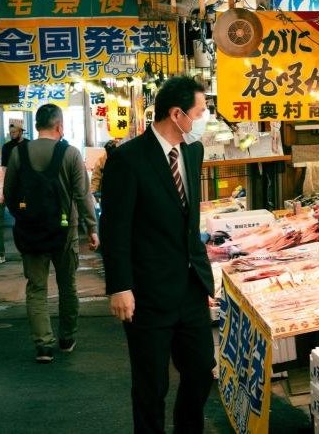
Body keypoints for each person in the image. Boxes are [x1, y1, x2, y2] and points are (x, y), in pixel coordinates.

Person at [100, 76, 214, 434]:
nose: (205, 117)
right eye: (201, 111)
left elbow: (187, 217)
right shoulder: (128, 159)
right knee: (151, 387)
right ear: (177, 114)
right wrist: (119, 286)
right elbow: (114, 227)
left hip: (191, 287)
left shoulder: (193, 152)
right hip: (147, 293)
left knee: (200, 372)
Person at [4, 104, 99, 364]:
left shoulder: (18, 153)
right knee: (67, 286)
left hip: (30, 233)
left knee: (36, 288)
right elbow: (82, 195)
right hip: (64, 234)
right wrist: (92, 228)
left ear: (36, 126)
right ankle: (66, 338)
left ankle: (43, 346)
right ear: (59, 126)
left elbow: (9, 193)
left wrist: (25, 216)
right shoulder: (70, 154)